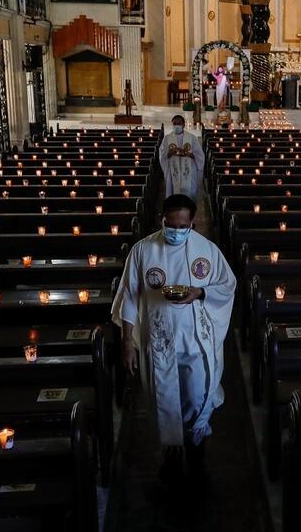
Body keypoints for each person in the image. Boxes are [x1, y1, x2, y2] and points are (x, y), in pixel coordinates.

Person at [112, 194, 237, 478]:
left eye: (183, 226)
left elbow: (227, 285)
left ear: (192, 223)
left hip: (196, 341)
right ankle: (170, 450)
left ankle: (196, 446)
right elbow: (129, 299)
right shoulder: (143, 251)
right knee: (163, 397)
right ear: (162, 220)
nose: (177, 231)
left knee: (197, 396)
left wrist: (200, 292)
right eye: (172, 225)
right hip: (158, 343)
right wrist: (128, 344)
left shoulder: (206, 250)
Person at [160, 115, 204, 199]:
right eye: (175, 124)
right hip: (173, 170)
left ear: (183, 125)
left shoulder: (192, 138)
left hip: (189, 168)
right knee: (173, 192)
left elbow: (200, 155)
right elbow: (162, 155)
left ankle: (189, 207)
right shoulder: (167, 138)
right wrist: (170, 152)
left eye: (179, 123)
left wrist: (188, 154)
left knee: (189, 192)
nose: (177, 126)